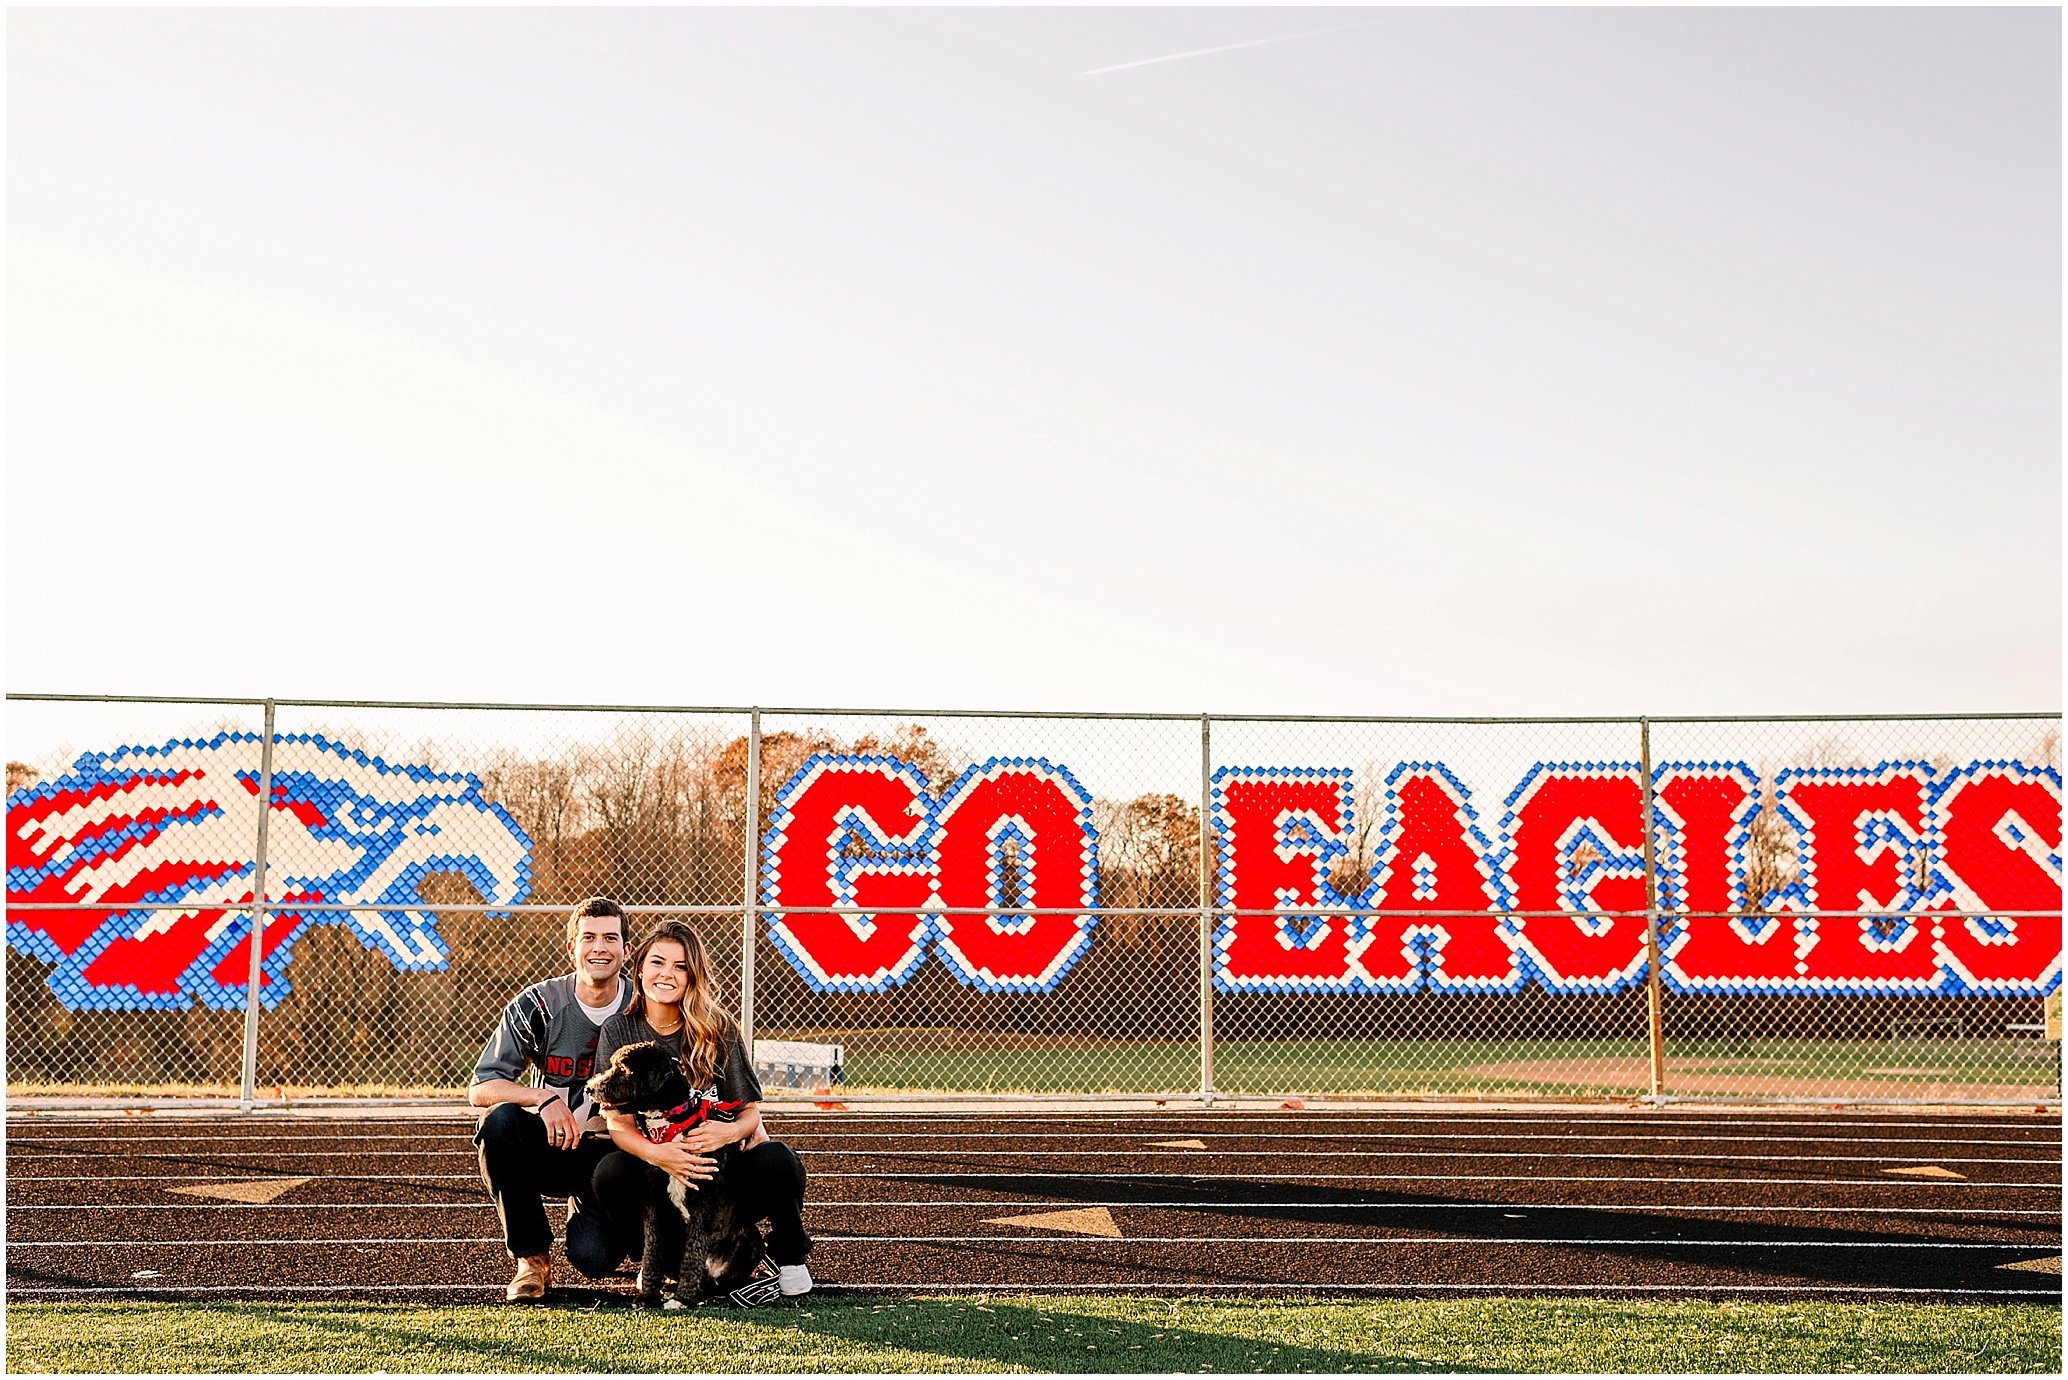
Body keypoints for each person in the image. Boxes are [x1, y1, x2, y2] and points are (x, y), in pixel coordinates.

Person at [591, 919, 814, 1298]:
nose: (667, 974)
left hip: (717, 1168)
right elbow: (617, 1122)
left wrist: (725, 1132)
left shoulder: (717, 1027)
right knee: (610, 1173)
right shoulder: (620, 1029)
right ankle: (659, 1260)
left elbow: (750, 1114)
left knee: (779, 1159)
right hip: (657, 1163)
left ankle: (789, 1257)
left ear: (694, 977)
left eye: (681, 967)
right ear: (640, 967)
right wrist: (661, 1155)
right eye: (658, 962)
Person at [469, 896, 635, 1301]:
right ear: (572, 948)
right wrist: (542, 1098)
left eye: (611, 938)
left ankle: (645, 1244)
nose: (600, 948)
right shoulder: (539, 1004)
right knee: (499, 1123)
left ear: (626, 950)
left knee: (595, 1259)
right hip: (551, 1142)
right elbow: (481, 1086)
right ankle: (532, 1259)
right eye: (589, 938)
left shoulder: (643, 1005)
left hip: (615, 1155)